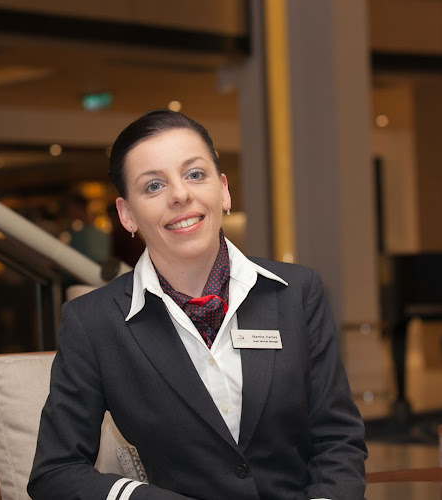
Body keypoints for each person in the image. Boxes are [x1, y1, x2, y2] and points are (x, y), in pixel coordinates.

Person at [28, 110, 368, 500]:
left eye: (194, 174)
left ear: (223, 190)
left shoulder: (297, 292)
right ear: (127, 214)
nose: (180, 195)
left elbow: (338, 438)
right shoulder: (94, 321)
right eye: (153, 186)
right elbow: (55, 472)